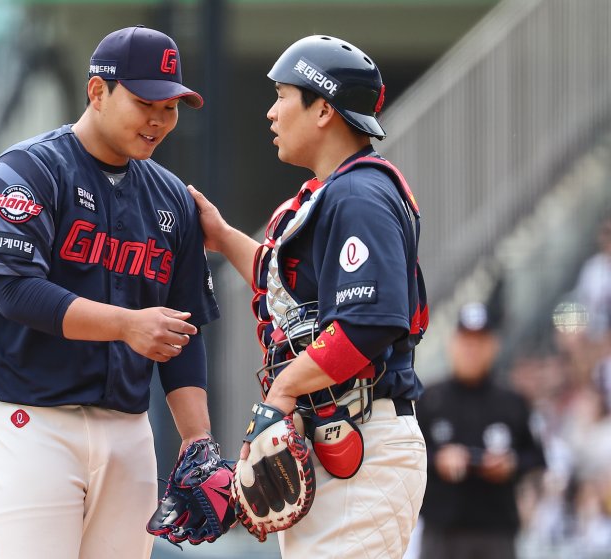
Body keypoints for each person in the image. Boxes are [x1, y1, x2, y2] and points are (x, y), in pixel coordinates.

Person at [0, 26, 219, 559]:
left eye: (170, 106)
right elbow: (16, 292)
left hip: (127, 426)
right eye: (145, 101)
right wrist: (128, 325)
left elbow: (183, 331)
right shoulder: (27, 171)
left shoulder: (172, 199)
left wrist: (199, 442)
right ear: (97, 93)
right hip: (28, 418)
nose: (158, 119)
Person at [189, 35, 428, 558]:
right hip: (339, 436)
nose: (271, 113)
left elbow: (367, 324)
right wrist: (222, 234)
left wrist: (281, 394)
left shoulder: (360, 194)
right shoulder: (333, 193)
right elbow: (292, 302)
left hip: (360, 439)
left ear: (323, 109)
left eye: (282, 96)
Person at [415, 301, 546, 559]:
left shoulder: (512, 401)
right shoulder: (429, 399)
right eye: (466, 342)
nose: (471, 350)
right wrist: (437, 459)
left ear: (493, 346)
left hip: (496, 531)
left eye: (480, 342)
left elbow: (537, 457)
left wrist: (512, 463)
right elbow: (407, 453)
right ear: (452, 345)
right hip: (442, 532)